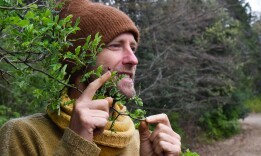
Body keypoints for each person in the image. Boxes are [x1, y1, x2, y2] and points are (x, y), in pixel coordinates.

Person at [0, 0, 181, 155]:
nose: (133, 59)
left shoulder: (138, 141)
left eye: (133, 48)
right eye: (116, 46)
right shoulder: (24, 134)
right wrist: (76, 144)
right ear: (79, 58)